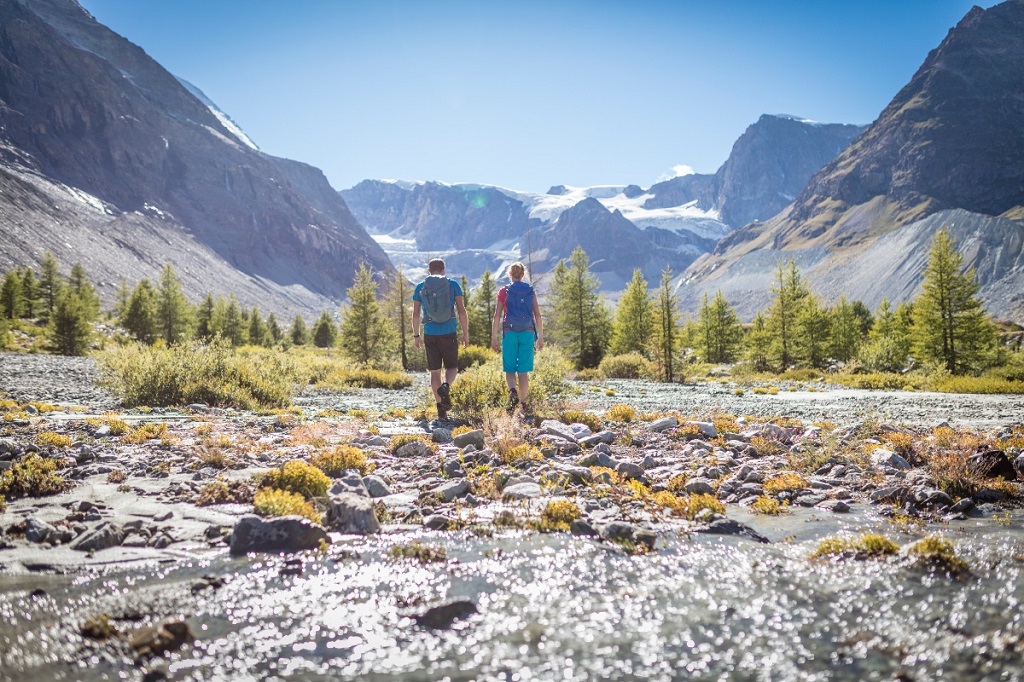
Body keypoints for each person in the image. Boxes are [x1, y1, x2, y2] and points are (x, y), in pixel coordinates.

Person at [412, 258, 468, 421]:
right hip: (449, 331)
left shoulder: (420, 287)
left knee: (435, 372)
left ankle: (441, 410)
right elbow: (462, 311)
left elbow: (415, 314)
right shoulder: (452, 285)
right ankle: (446, 386)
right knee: (452, 367)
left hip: (430, 332)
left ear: (429, 271)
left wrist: (416, 335)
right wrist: (465, 333)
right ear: (443, 270)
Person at [491, 261, 543, 412]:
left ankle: (512, 390)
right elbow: (537, 315)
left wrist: (494, 337)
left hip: (509, 332)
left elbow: (497, 316)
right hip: (527, 332)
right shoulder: (530, 291)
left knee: (510, 368)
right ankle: (523, 404)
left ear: (510, 274)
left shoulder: (504, 291)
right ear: (522, 274)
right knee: (523, 371)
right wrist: (540, 337)